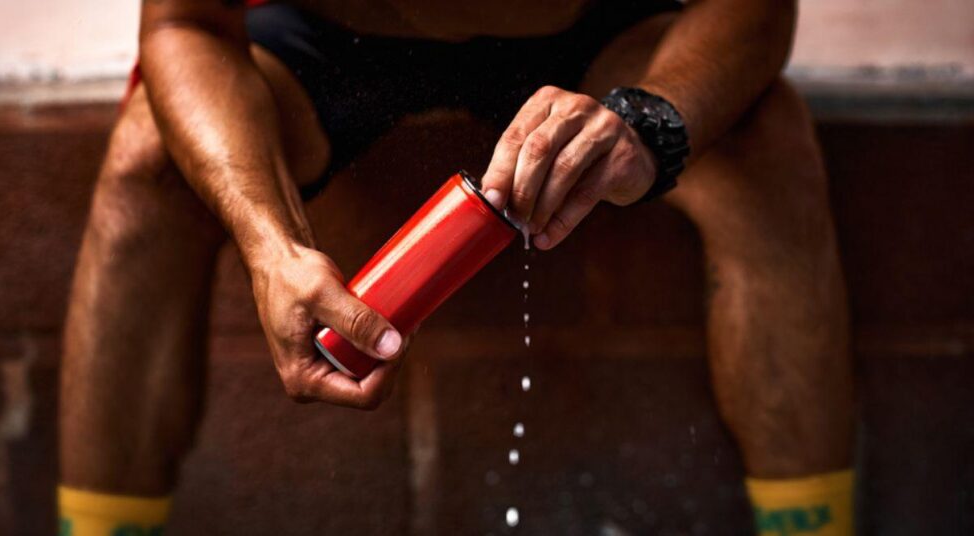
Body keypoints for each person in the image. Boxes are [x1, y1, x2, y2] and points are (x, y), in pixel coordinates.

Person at [58, 0, 855, 534]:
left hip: (591, 25)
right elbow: (184, 22)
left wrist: (650, 120)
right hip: (333, 31)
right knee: (149, 162)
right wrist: (270, 244)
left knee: (763, 147)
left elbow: (754, 7)